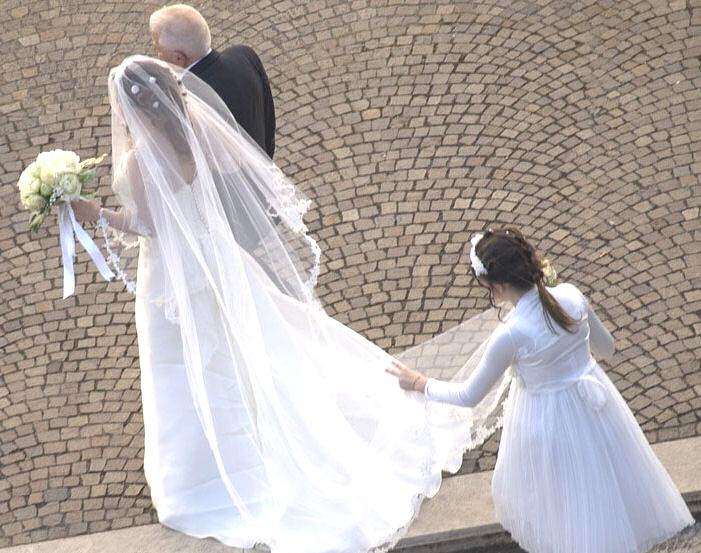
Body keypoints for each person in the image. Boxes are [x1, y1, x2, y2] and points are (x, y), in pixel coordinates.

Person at [70, 55, 482, 553]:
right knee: (244, 350)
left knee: (184, 364)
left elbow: (147, 226)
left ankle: (197, 478)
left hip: (176, 276)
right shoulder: (192, 130)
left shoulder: (141, 160)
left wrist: (91, 213)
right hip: (218, 261)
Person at [388, 228, 694, 553]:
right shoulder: (572, 296)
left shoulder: (512, 335)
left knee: (563, 502)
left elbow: (469, 396)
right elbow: (608, 348)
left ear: (499, 286)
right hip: (597, 406)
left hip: (548, 422)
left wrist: (422, 384)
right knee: (603, 486)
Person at [149, 4, 275, 158]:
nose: (156, 53)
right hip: (264, 170)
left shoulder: (182, 100)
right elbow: (268, 121)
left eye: (157, 49)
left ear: (178, 58)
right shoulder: (245, 56)